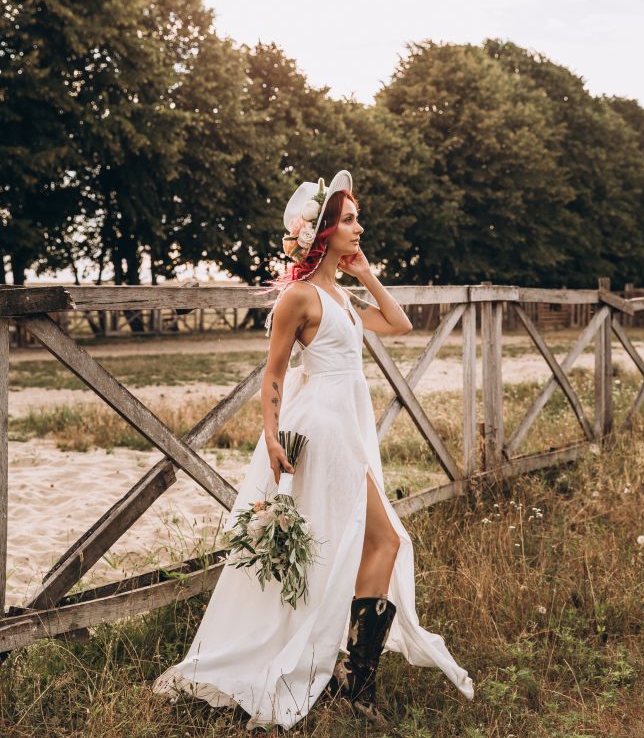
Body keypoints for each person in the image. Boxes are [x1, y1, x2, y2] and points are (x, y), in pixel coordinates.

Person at [152, 169, 475, 730]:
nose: (359, 228)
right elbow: (274, 372)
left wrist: (365, 272)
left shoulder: (342, 297)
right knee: (385, 538)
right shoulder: (299, 297)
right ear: (323, 232)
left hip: (349, 426)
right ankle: (355, 681)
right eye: (349, 220)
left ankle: (351, 673)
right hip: (321, 429)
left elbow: (399, 323)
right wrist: (271, 435)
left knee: (359, 541)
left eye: (356, 219)